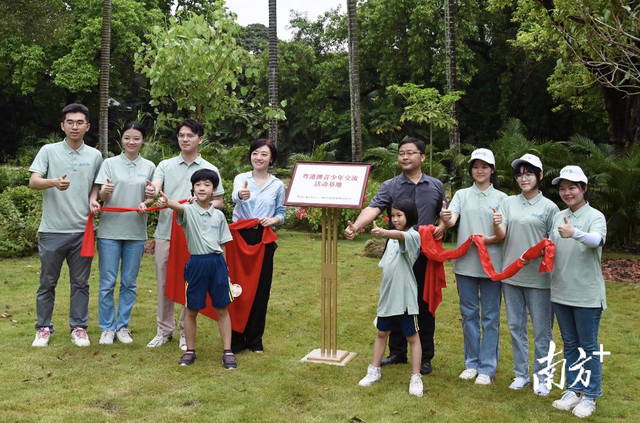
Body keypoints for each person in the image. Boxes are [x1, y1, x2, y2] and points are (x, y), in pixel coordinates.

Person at [345, 137, 446, 375]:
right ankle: (398, 353)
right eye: (401, 153)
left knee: (424, 305)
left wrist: (443, 225)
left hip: (425, 255)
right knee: (395, 301)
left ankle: (425, 358)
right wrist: (356, 226)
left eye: (411, 153)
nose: (405, 157)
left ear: (422, 157)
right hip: (398, 255)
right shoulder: (390, 185)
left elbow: (444, 212)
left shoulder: (435, 185)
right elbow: (374, 208)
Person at [145, 120, 224, 350]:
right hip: (166, 232)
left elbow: (218, 202)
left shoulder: (209, 169)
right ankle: (163, 330)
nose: (184, 139)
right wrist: (153, 192)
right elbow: (156, 188)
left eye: (190, 135)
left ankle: (183, 331)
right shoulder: (165, 165)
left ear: (200, 138)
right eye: (181, 135)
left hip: (196, 238)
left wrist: (199, 203)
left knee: (189, 283)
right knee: (163, 282)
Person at [29, 103, 102, 347]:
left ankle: (79, 327)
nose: (74, 126)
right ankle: (43, 328)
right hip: (52, 230)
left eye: (79, 122)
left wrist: (94, 198)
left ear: (87, 126)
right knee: (47, 282)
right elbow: (34, 181)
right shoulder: (48, 151)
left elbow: (96, 185)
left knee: (80, 283)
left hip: (83, 231)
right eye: (70, 122)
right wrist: (52, 182)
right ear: (62, 125)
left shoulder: (95, 155)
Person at [492, 154, 559, 395]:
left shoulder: (550, 207)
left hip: (539, 280)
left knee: (542, 331)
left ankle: (544, 376)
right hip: (511, 276)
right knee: (515, 327)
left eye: (529, 173)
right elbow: (501, 234)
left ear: (540, 176)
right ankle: (521, 374)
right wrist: (497, 222)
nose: (523, 178)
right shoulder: (508, 203)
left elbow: (554, 243)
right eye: (519, 174)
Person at [157, 169, 236, 369]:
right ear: (192, 188)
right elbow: (174, 205)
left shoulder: (218, 216)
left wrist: (225, 271)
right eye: (198, 184)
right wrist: (165, 202)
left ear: (214, 190)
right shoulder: (188, 210)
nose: (202, 188)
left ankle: (228, 351)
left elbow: (224, 244)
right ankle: (190, 351)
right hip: (196, 265)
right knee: (192, 309)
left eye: (207, 185)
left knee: (222, 308)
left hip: (217, 264)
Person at [441, 148, 507, 385]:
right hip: (465, 264)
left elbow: (503, 234)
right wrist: (446, 215)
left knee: (490, 317)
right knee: (469, 314)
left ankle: (487, 367)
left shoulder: (502, 198)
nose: (479, 171)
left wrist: (492, 234)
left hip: (493, 266)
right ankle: (471, 363)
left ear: (492, 170)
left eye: (484, 167)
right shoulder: (461, 195)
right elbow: (451, 221)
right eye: (475, 167)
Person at [547, 166, 607, 419]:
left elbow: (596, 240)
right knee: (570, 344)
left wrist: (575, 233)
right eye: (562, 188)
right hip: (561, 291)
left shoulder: (595, 216)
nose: (567, 192)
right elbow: (551, 246)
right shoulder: (559, 216)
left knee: (588, 347)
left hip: (586, 295)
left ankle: (591, 396)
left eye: (572, 187)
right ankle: (574, 389)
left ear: (583, 188)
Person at [95, 121, 156, 344]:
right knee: (107, 282)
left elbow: (151, 197)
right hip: (109, 231)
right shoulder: (109, 163)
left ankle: (123, 326)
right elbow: (101, 197)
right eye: (128, 138)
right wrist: (105, 192)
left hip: (136, 232)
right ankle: (107, 328)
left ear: (143, 141)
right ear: (121, 139)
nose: (132, 142)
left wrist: (148, 199)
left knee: (129, 282)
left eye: (136, 138)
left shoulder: (149, 166)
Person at [358, 197, 424, 397]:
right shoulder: (391, 242)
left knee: (412, 337)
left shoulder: (413, 236)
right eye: (393, 215)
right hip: (387, 298)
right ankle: (374, 370)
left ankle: (415, 377)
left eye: (399, 215)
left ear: (409, 216)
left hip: (405, 299)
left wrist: (384, 232)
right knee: (381, 334)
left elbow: (400, 236)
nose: (395, 219)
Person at [230, 139, 286, 354]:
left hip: (263, 238)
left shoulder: (278, 185)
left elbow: (281, 213)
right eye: (255, 153)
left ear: (271, 158)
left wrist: (273, 221)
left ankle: (254, 340)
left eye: (264, 154)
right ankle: (236, 339)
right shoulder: (241, 179)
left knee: (261, 289)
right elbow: (236, 196)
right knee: (236, 287)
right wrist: (240, 195)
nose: (259, 158)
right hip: (240, 237)